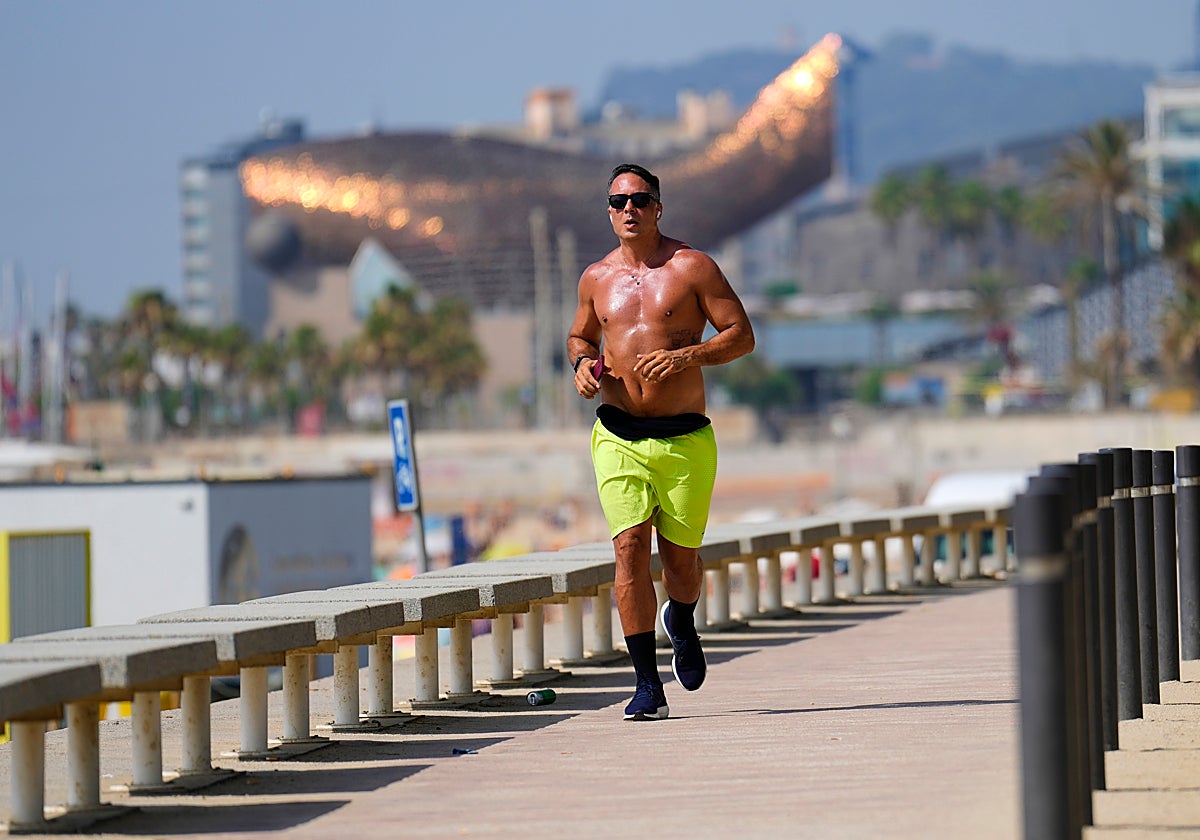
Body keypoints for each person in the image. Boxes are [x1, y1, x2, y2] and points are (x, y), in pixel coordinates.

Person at [567, 163, 755, 720]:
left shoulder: (691, 266)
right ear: (608, 211)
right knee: (628, 549)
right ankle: (647, 685)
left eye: (640, 200)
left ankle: (683, 617)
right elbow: (580, 334)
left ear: (658, 208)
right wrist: (581, 363)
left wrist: (686, 355)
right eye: (619, 202)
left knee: (681, 560)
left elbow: (741, 335)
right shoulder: (595, 278)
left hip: (684, 436)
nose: (630, 210)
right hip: (618, 430)